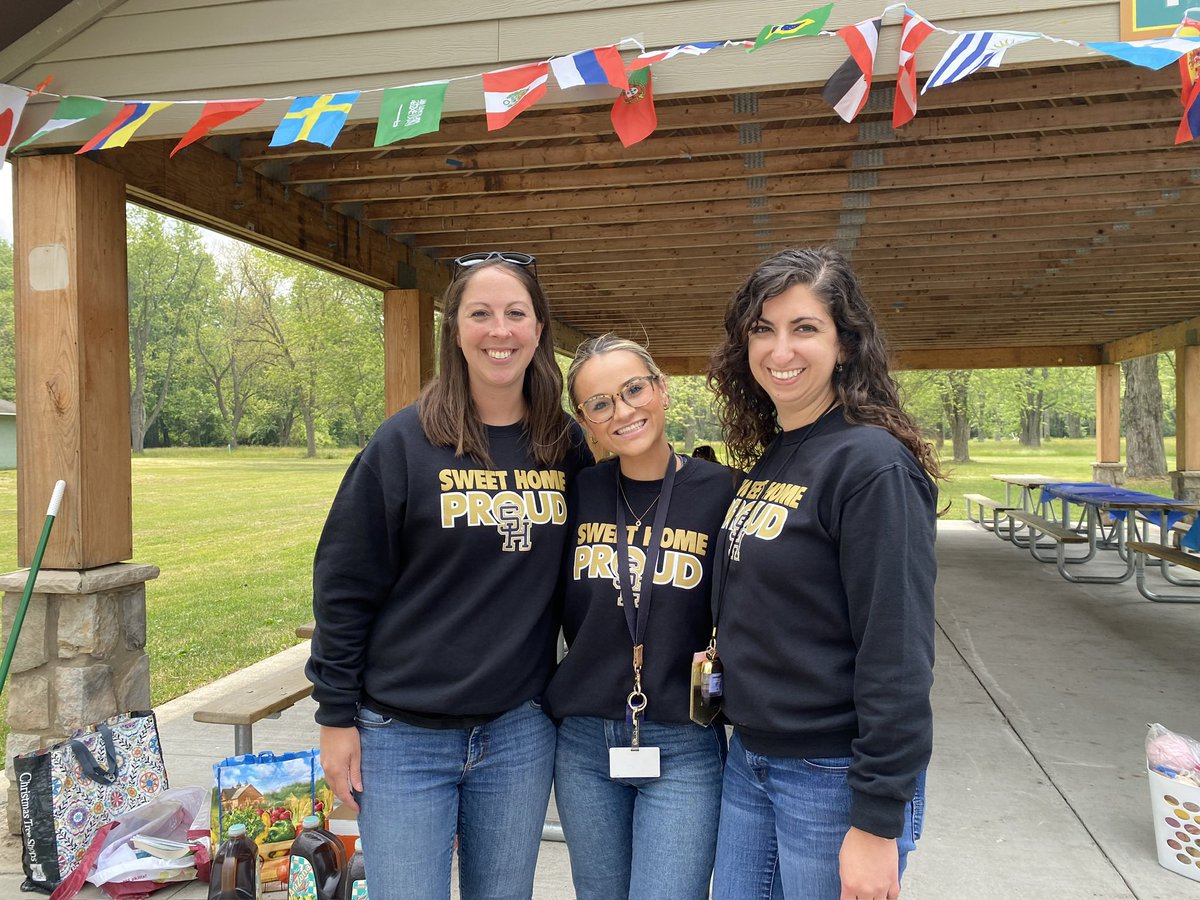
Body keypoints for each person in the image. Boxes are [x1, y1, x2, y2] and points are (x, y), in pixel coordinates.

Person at [306, 251, 590, 900]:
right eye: (480, 314)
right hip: (401, 735)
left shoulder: (564, 445)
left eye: (516, 313)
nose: (500, 330)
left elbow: (590, 573)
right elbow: (345, 586)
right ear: (454, 329)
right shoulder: (404, 443)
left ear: (539, 329)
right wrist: (335, 715)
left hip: (517, 731)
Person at [707, 247, 941, 900]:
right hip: (754, 757)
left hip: (832, 773)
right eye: (763, 328)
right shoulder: (781, 452)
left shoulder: (871, 466)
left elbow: (896, 650)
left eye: (804, 327)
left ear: (844, 345)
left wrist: (876, 820)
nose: (781, 349)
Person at [544, 334, 734, 900]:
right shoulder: (578, 493)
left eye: (633, 389)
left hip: (683, 740)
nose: (623, 411)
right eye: (601, 403)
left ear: (661, 389)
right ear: (587, 422)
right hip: (583, 742)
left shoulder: (722, 492)